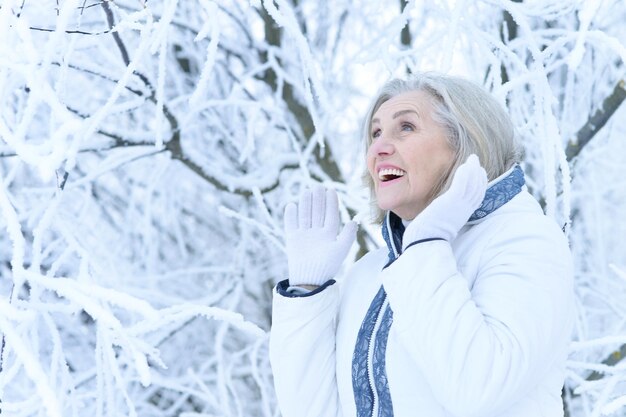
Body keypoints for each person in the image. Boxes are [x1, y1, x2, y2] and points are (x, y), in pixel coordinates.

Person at [269, 72, 574, 417]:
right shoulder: (372, 271)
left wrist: (426, 245)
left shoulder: (525, 241)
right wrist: (307, 293)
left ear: (466, 143)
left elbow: (477, 388)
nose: (379, 147)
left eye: (406, 127)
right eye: (376, 133)